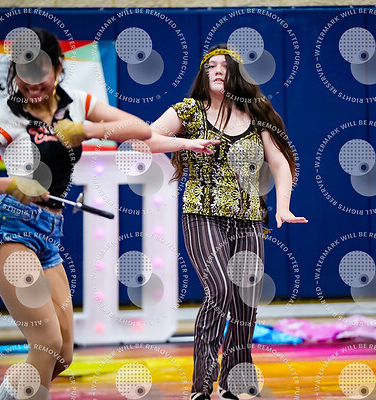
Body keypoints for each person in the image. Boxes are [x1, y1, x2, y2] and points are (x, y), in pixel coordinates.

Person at [0, 28, 216, 400]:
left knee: (62, 354)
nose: (33, 88)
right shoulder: (6, 117)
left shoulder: (78, 104)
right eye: (24, 78)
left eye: (41, 78)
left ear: (57, 69)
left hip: (48, 232)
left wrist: (88, 129)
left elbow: (140, 129)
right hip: (8, 228)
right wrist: (9, 183)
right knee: (46, 342)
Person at [147, 44, 307, 400]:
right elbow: (147, 140)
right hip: (203, 215)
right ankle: (201, 387)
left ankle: (234, 384)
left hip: (248, 219)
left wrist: (283, 207)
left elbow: (279, 163)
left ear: (237, 74)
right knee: (219, 290)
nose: (217, 70)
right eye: (210, 67)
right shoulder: (189, 111)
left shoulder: (256, 114)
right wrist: (187, 144)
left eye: (224, 66)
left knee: (245, 301)